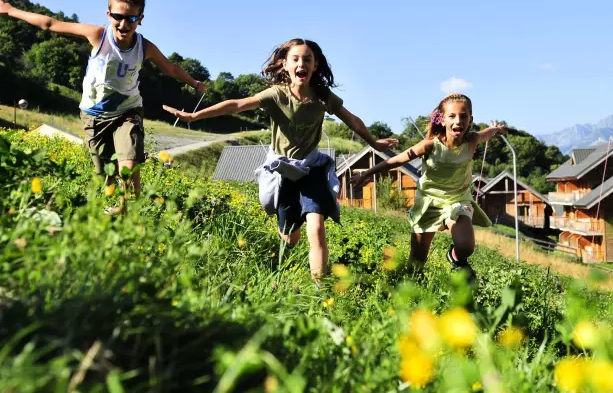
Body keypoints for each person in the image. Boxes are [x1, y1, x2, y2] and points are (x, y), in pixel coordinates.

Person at [163, 38, 396, 280]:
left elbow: (353, 120)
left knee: (316, 228)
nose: (301, 64)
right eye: (295, 59)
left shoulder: (323, 97)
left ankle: (320, 288)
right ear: (285, 64)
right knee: (289, 236)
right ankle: (283, 264)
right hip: (284, 171)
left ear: (315, 65)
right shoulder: (276, 94)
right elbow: (237, 104)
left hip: (311, 168)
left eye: (307, 59)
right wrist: (195, 116)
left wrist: (374, 142)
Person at [0, 0, 206, 200]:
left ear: (140, 19)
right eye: (118, 17)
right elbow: (50, 24)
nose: (124, 24)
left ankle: (130, 210)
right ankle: (114, 205)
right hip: (93, 115)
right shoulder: (98, 35)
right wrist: (11, 10)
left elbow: (171, 68)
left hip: (127, 110)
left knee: (129, 161)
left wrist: (194, 83)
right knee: (106, 175)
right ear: (109, 15)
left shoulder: (145, 47)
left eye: (131, 18)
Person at [351, 93, 505, 279]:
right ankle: (410, 287)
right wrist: (366, 174)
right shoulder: (430, 145)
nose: (458, 121)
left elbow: (486, 133)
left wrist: (496, 129)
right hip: (429, 202)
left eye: (463, 116)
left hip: (458, 200)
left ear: (470, 119)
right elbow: (397, 160)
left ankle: (455, 258)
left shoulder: (472, 140)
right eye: (452, 116)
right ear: (442, 119)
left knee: (466, 247)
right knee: (417, 260)